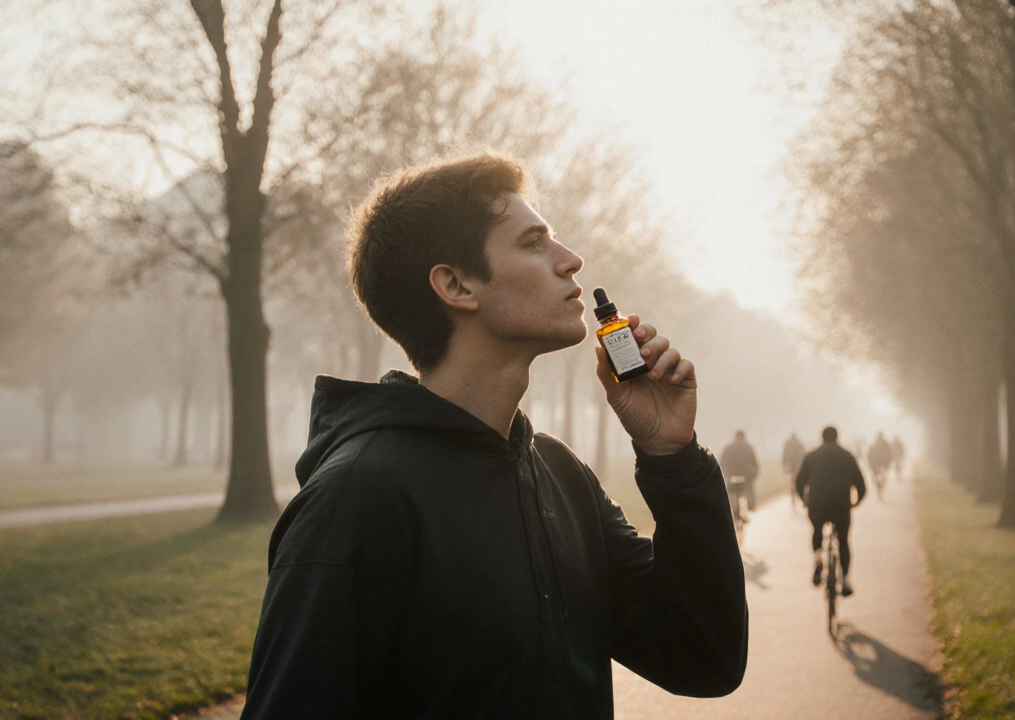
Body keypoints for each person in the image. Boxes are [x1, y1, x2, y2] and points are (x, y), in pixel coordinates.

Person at [241, 153, 748, 719]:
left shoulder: (560, 475)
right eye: (534, 243)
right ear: (456, 285)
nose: (571, 260)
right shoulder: (356, 499)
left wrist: (672, 456)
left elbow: (702, 657)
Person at [795, 425, 867, 597]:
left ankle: (818, 558)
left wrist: (805, 501)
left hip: (817, 504)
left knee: (817, 530)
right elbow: (861, 485)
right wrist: (855, 503)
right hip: (841, 505)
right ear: (837, 438)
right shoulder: (847, 456)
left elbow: (799, 482)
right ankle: (846, 580)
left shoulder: (811, 456)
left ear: (822, 438)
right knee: (843, 540)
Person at [720, 430, 760, 518]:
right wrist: (755, 473)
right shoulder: (748, 447)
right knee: (749, 489)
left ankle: (728, 509)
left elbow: (721, 461)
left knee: (729, 493)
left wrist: (724, 473)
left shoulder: (728, 447)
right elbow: (755, 462)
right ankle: (751, 505)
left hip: (731, 476)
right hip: (745, 476)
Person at [781, 432, 806, 507]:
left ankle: (792, 488)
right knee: (797, 476)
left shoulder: (788, 443)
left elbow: (784, 453)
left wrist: (784, 463)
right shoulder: (799, 443)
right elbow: (803, 453)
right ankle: (796, 489)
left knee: (792, 476)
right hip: (797, 463)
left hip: (790, 463)